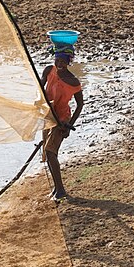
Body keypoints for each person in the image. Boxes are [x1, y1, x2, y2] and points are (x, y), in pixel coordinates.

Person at [41, 44, 84, 202]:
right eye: (57, 60)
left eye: (63, 62)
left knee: (51, 152)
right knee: (47, 153)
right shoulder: (48, 71)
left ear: (68, 62)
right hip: (48, 116)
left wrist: (69, 126)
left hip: (62, 120)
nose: (59, 64)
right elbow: (40, 87)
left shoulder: (73, 81)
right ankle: (56, 188)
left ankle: (60, 190)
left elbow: (80, 104)